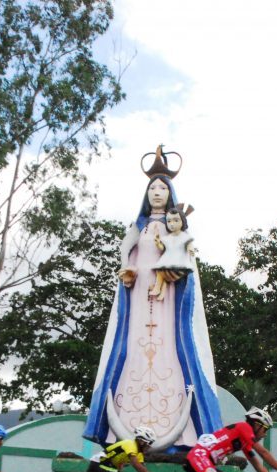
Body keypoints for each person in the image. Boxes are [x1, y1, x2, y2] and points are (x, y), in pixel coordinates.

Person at [84, 146, 223, 451]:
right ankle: (122, 430)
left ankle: (182, 435)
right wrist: (127, 268)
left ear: (170, 193)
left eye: (162, 188)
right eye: (152, 188)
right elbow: (125, 250)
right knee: (132, 356)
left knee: (171, 357)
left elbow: (186, 264)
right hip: (136, 308)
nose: (157, 192)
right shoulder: (139, 227)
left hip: (167, 307)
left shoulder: (178, 230)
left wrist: (179, 274)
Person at [148, 205, 195, 301]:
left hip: (179, 265)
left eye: (176, 220)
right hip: (169, 264)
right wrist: (158, 243)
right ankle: (161, 293)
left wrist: (190, 249)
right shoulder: (167, 238)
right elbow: (162, 248)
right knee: (164, 275)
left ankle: (157, 288)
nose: (172, 224)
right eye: (169, 221)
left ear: (182, 221)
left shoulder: (184, 236)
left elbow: (189, 244)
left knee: (160, 272)